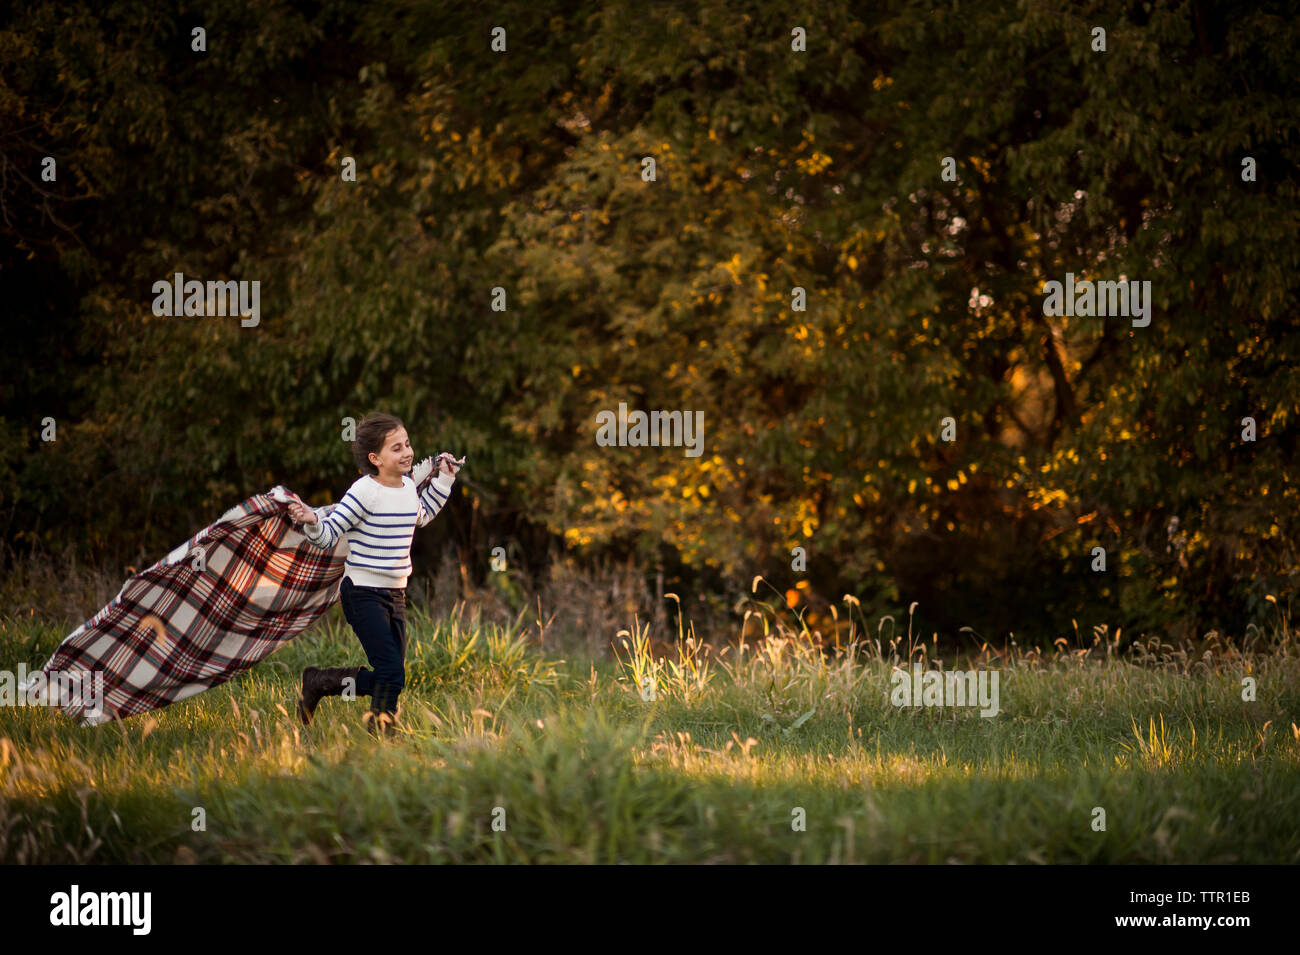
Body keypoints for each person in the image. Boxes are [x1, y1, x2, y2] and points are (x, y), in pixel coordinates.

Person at [286, 411, 462, 737]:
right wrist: (311, 520)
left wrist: (445, 479)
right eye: (396, 448)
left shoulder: (408, 487)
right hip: (362, 593)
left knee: (390, 673)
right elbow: (328, 534)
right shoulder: (364, 491)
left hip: (395, 594)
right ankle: (381, 730)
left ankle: (326, 687)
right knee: (393, 672)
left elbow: (420, 517)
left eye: (407, 444)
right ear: (375, 458)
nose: (407, 452)